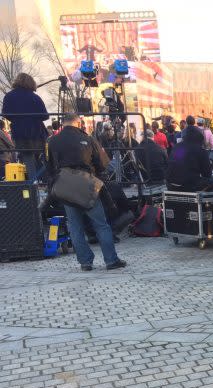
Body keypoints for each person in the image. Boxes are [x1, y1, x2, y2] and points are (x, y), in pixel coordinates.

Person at [47, 113, 125, 271]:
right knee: (101, 224)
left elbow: (49, 166)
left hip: (65, 186)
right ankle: (111, 260)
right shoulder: (88, 139)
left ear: (63, 123)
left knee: (75, 226)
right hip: (87, 185)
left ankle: (85, 262)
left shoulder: (52, 141)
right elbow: (102, 164)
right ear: (78, 122)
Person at [1, 73, 48, 181]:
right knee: (42, 158)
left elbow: (5, 113)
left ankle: (31, 184)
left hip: (19, 133)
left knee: (27, 159)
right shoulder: (35, 97)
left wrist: (17, 119)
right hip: (36, 133)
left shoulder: (9, 96)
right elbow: (45, 116)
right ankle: (43, 183)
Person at [166, 125, 213, 191]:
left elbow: (177, 163)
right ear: (200, 137)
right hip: (188, 185)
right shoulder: (200, 150)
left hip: (170, 185)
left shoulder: (178, 148)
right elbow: (207, 174)